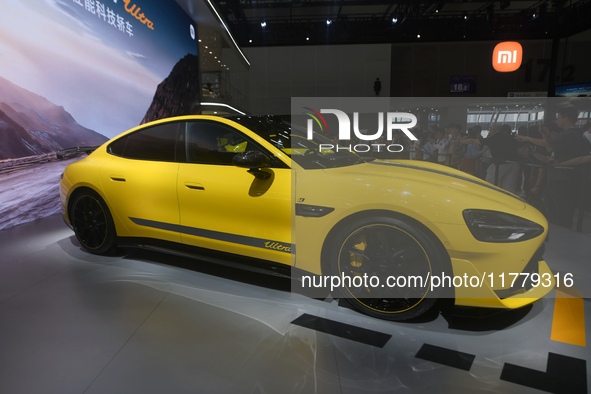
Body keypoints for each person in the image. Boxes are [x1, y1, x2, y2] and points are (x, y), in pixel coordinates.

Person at [516, 105, 591, 228]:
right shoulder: (570, 134)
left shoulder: (571, 134)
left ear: (565, 118)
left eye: (558, 117)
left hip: (563, 177)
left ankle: (562, 230)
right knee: (553, 204)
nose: (556, 120)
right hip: (558, 176)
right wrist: (544, 136)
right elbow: (550, 147)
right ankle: (559, 228)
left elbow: (547, 144)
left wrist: (526, 138)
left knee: (561, 206)